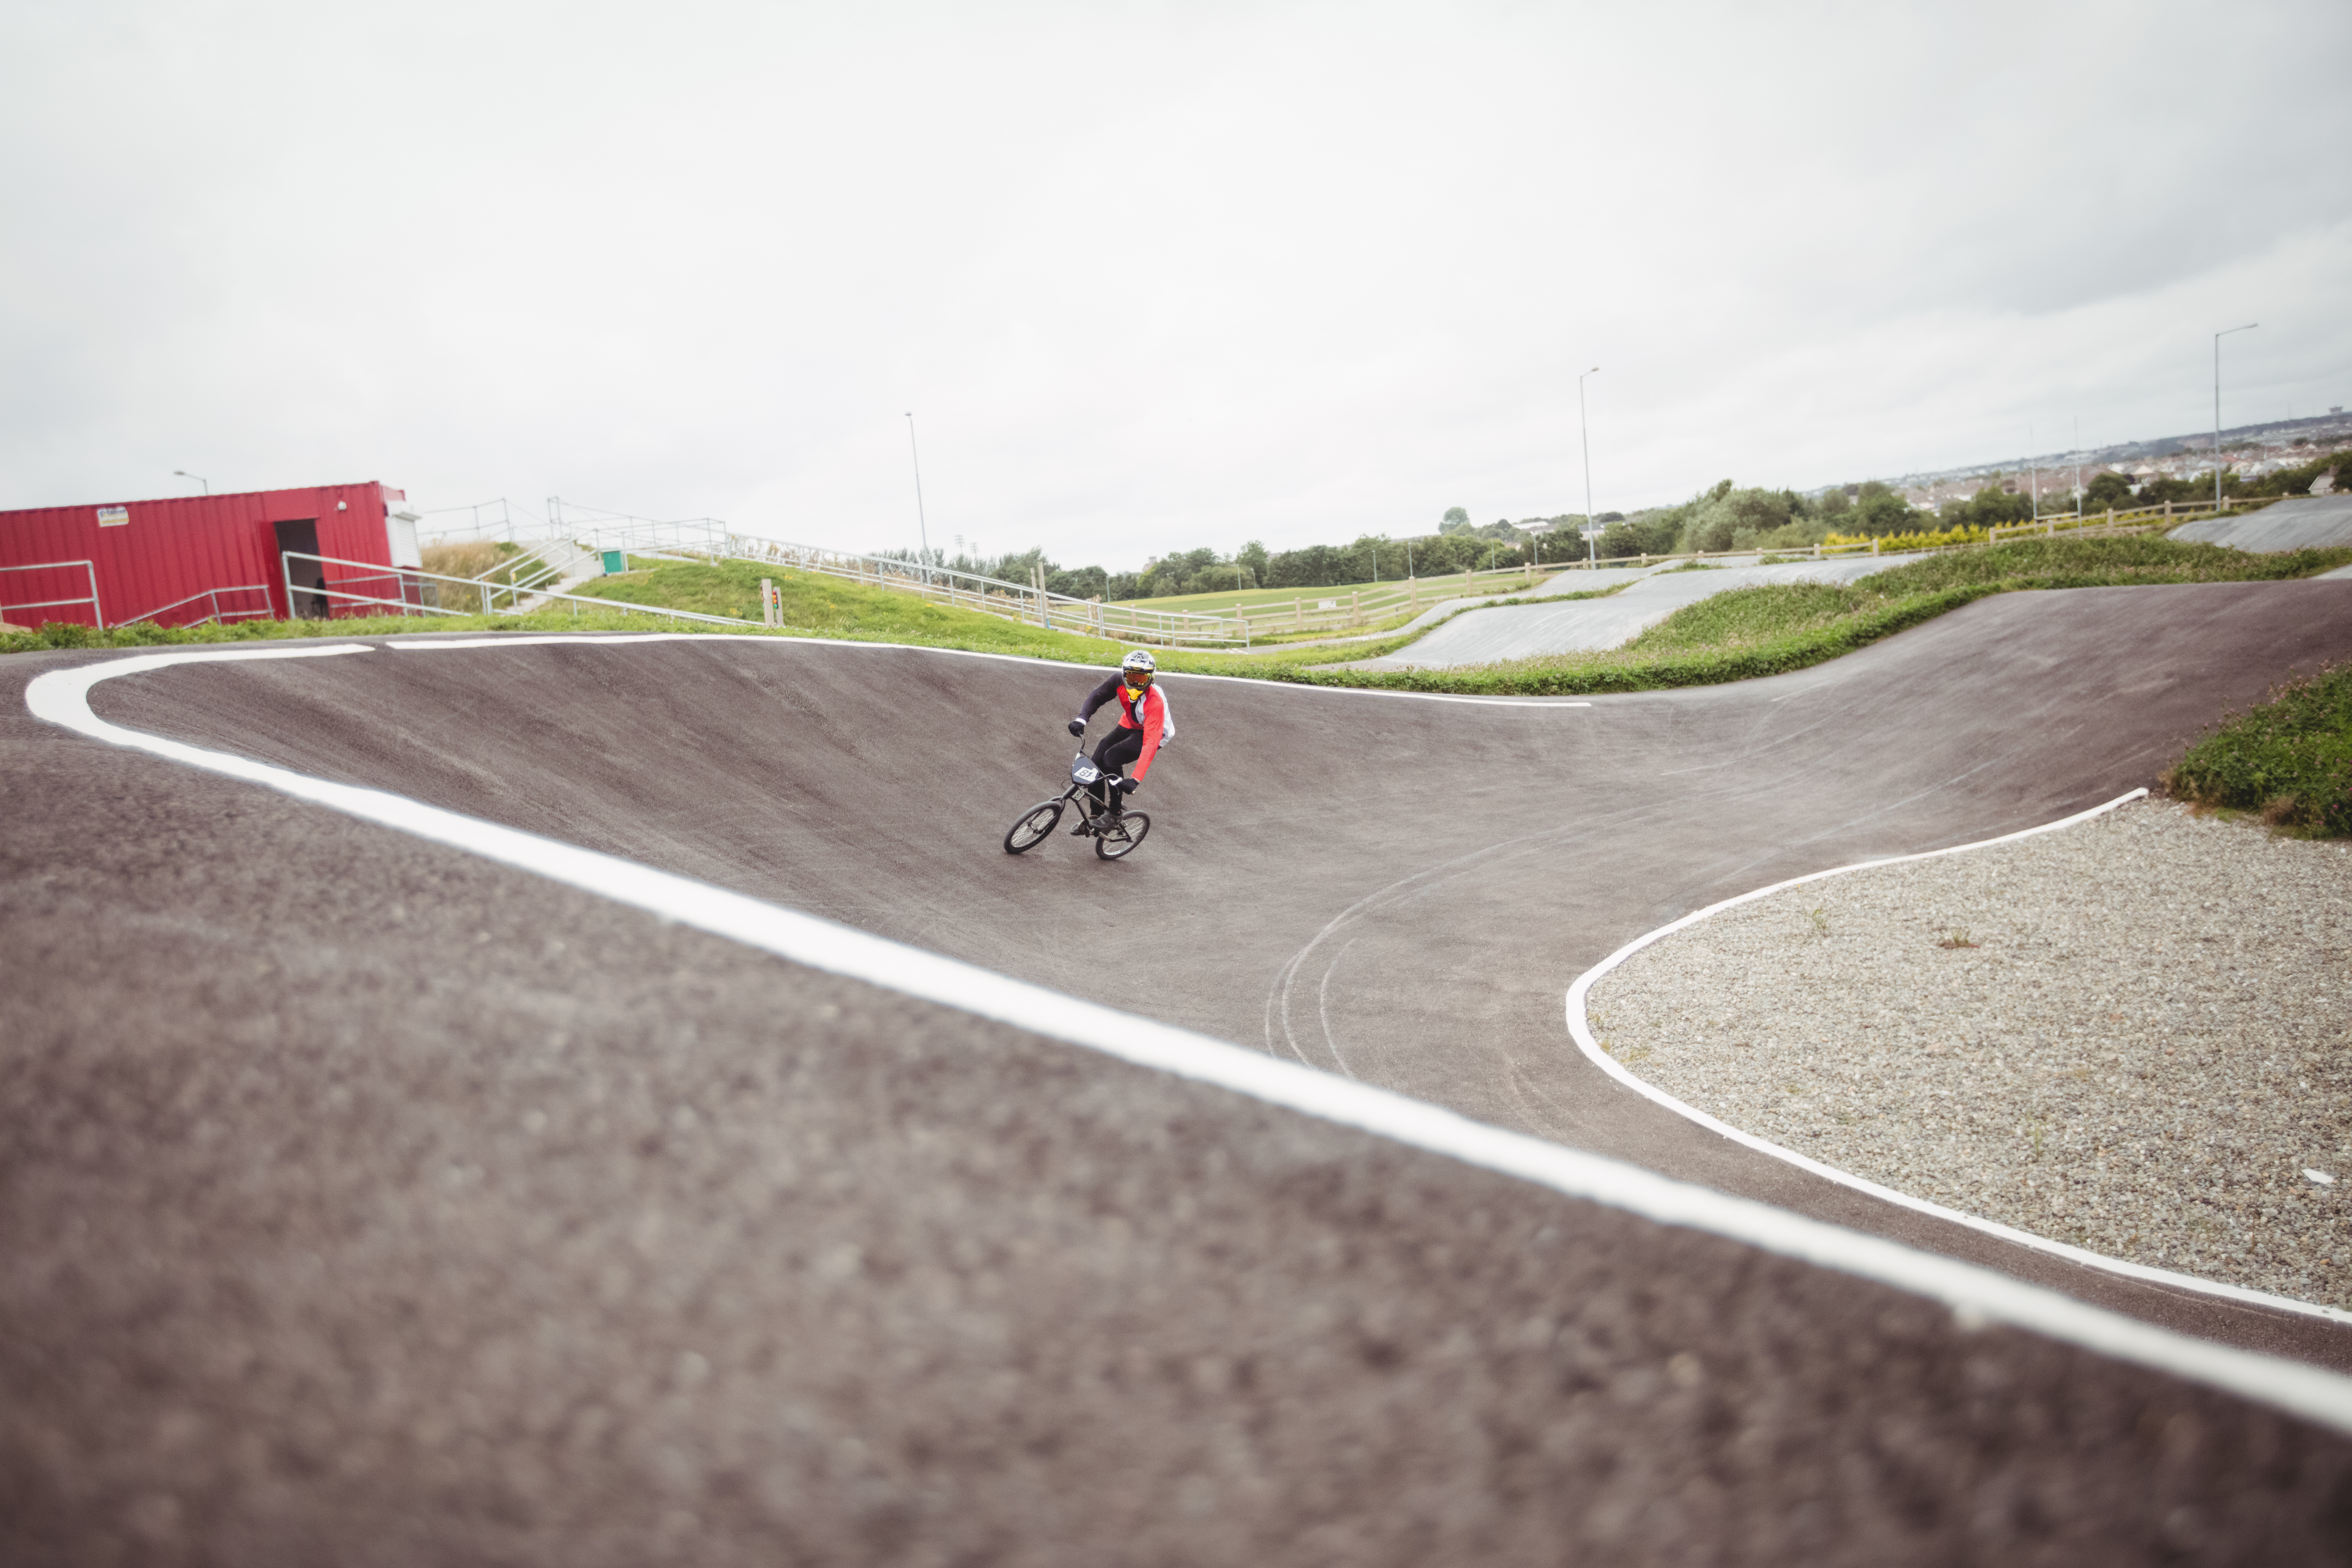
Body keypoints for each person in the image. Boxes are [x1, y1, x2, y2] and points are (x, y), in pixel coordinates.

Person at [1067, 649, 1175, 831]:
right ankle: (1096, 815)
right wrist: (1081, 719)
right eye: (1132, 676)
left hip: (1154, 732)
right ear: (1124, 674)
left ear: (1151, 678)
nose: (1135, 683)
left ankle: (1115, 815)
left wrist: (1136, 779)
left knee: (1113, 758)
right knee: (1096, 762)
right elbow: (1098, 696)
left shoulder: (1155, 702)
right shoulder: (1118, 681)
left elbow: (1150, 743)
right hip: (1130, 724)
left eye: (1141, 679)